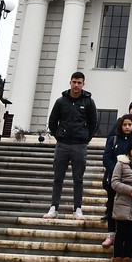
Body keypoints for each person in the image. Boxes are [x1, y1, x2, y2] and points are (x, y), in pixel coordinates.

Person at [45, 72, 98, 219]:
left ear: (83, 84)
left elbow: (94, 123)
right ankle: (54, 207)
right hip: (62, 144)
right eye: (74, 82)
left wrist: (85, 138)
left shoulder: (88, 102)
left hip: (79, 145)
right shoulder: (61, 101)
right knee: (58, 177)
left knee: (78, 179)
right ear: (70, 82)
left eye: (79, 82)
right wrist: (59, 136)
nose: (76, 85)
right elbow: (52, 121)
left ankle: (77, 208)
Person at [102, 113, 132, 247]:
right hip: (113, 179)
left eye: (130, 124)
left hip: (130, 182)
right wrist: (118, 171)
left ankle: (126, 237)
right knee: (112, 206)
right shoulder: (113, 140)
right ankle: (111, 234)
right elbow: (107, 158)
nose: (127, 127)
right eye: (125, 124)